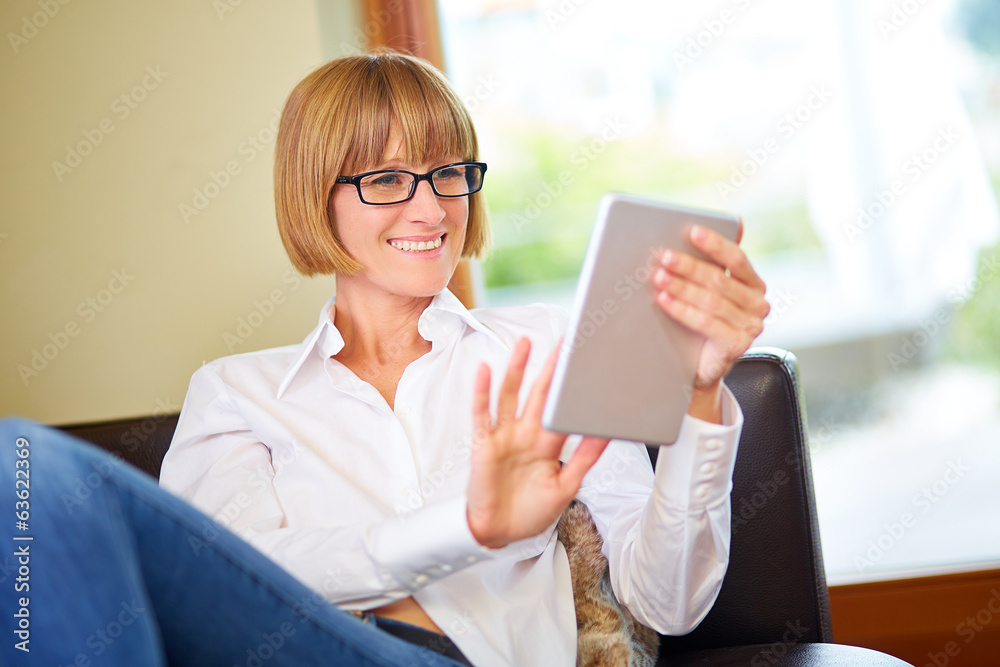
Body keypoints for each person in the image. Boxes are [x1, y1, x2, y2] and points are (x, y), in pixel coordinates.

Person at [0, 50, 768, 667]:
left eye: (449, 173)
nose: (432, 209)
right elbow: (247, 580)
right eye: (389, 179)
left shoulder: (544, 348)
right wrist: (470, 525)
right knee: (23, 464)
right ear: (316, 195)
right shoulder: (238, 392)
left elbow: (667, 600)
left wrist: (699, 398)